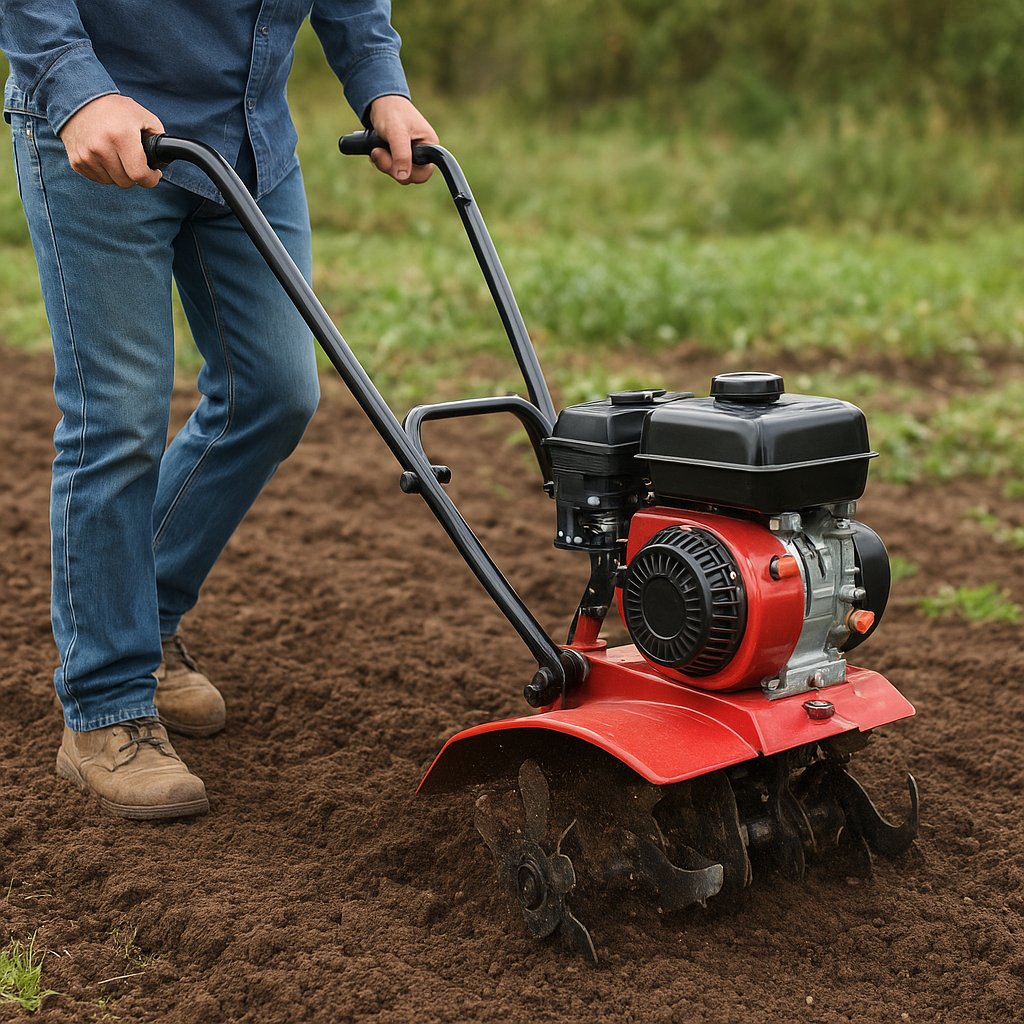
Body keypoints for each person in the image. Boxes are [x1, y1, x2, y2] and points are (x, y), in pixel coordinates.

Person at [0, 1, 437, 820]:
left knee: (273, 392)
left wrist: (380, 84)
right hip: (105, 127)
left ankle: (144, 617)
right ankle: (104, 708)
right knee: (117, 418)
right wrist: (72, 82)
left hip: (247, 140)